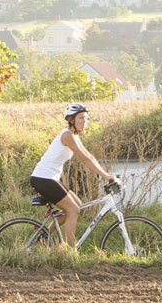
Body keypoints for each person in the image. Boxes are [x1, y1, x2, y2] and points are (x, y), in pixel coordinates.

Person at [29, 103, 120, 249]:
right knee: (73, 210)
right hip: (43, 178)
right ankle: (69, 252)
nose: (85, 121)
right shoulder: (67, 136)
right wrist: (104, 175)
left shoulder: (73, 136)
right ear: (72, 120)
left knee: (77, 205)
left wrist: (106, 174)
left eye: (86, 118)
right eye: (81, 118)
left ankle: (43, 236)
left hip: (48, 178)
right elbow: (84, 159)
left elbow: (89, 156)